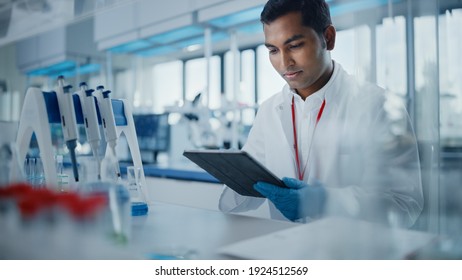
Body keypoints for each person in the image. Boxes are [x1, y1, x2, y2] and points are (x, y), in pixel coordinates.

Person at [218, 0, 423, 228]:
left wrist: (325, 202)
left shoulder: (378, 105)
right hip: (286, 250)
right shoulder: (269, 110)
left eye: (294, 45)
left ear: (328, 37)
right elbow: (237, 199)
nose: (284, 63)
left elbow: (405, 203)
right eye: (273, 50)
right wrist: (231, 175)